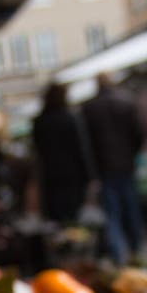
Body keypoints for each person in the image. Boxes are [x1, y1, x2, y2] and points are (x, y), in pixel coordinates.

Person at [82, 72, 146, 264]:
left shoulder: (90, 108)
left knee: (113, 214)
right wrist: (132, 154)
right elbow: (139, 132)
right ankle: (136, 252)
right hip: (126, 164)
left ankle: (119, 256)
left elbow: (87, 144)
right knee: (131, 210)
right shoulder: (126, 102)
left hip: (105, 168)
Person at [32, 81, 93, 225]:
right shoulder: (71, 119)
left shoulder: (40, 121)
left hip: (51, 176)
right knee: (73, 215)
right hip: (72, 175)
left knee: (56, 217)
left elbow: (38, 151)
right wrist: (89, 175)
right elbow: (81, 149)